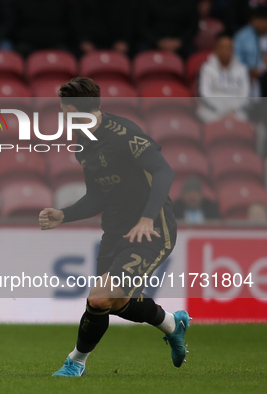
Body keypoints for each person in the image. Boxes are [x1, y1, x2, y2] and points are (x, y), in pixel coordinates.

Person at [38, 77, 189, 377]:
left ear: (70, 109)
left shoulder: (125, 134)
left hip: (152, 230)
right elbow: (97, 195)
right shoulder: (83, 144)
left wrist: (147, 217)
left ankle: (75, 362)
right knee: (114, 302)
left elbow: (164, 171)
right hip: (116, 231)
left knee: (98, 298)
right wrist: (63, 216)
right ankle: (173, 323)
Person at [197, 33, 250, 122]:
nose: (225, 50)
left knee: (243, 121)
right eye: (222, 47)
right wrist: (221, 109)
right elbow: (204, 93)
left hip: (234, 110)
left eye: (229, 47)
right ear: (216, 49)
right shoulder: (207, 68)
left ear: (233, 49)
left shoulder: (242, 69)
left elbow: (245, 94)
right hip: (212, 110)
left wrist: (232, 109)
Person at [234, 6, 267, 93]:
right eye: (258, 19)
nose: (261, 23)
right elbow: (236, 59)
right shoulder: (241, 36)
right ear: (252, 20)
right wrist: (248, 70)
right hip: (250, 76)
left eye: (264, 20)